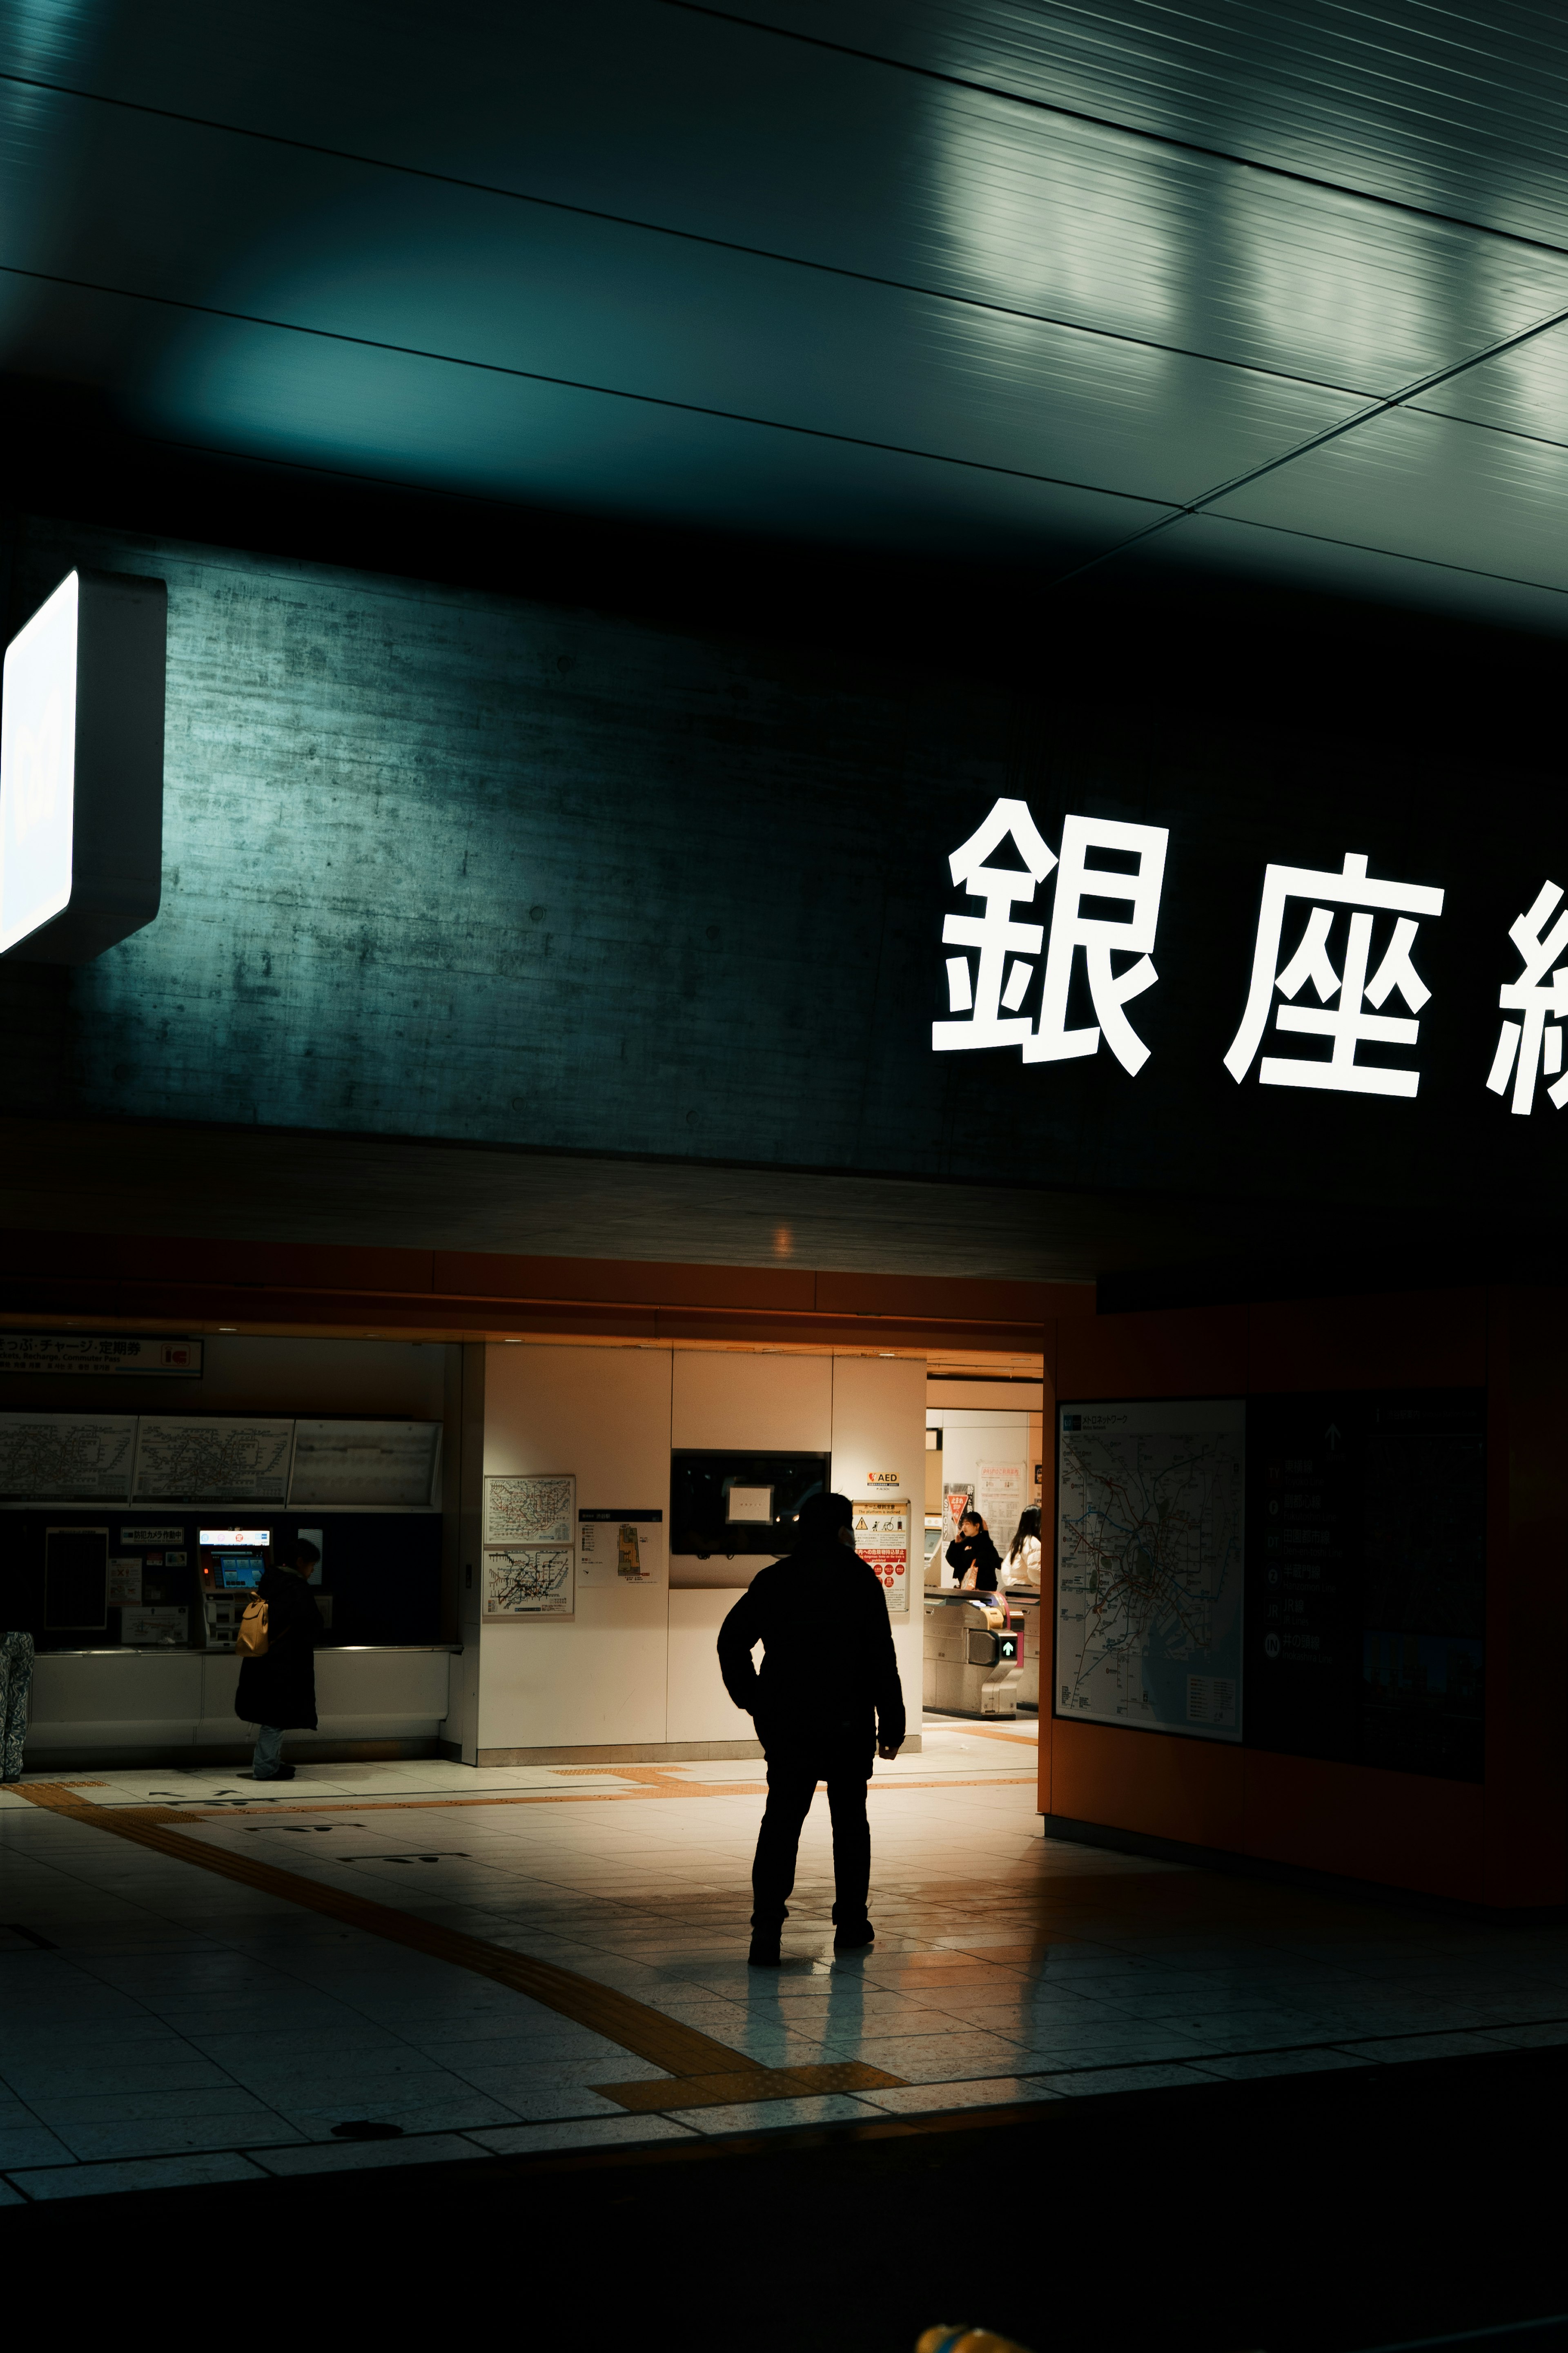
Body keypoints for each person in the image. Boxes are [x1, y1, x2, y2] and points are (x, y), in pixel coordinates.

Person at [717, 1491, 905, 1966]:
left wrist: (754, 1699)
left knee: (781, 1823)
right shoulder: (860, 1579)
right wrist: (893, 1721)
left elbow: (731, 1641)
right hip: (848, 1722)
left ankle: (766, 1930)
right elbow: (881, 1655)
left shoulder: (775, 1579)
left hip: (788, 1723)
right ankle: (851, 1922)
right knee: (850, 1823)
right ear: (843, 1529)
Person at [235, 1539, 323, 1782]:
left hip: (261, 1659)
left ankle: (270, 1762)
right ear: (300, 1562)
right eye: (312, 1565)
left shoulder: (269, 1582)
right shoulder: (297, 1588)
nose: (312, 1570)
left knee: (272, 1715)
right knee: (276, 1718)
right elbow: (311, 1625)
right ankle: (265, 1767)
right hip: (285, 1664)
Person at [0, 1629, 33, 1785]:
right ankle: (13, 1769)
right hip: (26, 1638)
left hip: (3, 1640)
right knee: (19, 1707)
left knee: (1, 1708)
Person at [946, 1509, 1001, 1592]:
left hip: (984, 1589)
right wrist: (956, 1544)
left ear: (977, 1526)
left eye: (967, 1524)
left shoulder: (985, 1542)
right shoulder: (964, 1542)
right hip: (966, 1588)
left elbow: (988, 1563)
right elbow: (953, 1561)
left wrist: (969, 1554)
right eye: (963, 1524)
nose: (964, 1527)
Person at [1002, 1505, 1042, 1589]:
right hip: (1028, 1589)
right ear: (1037, 1522)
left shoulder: (1020, 1540)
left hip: (1015, 1587)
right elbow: (1036, 1572)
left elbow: (1006, 1570)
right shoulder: (1033, 1543)